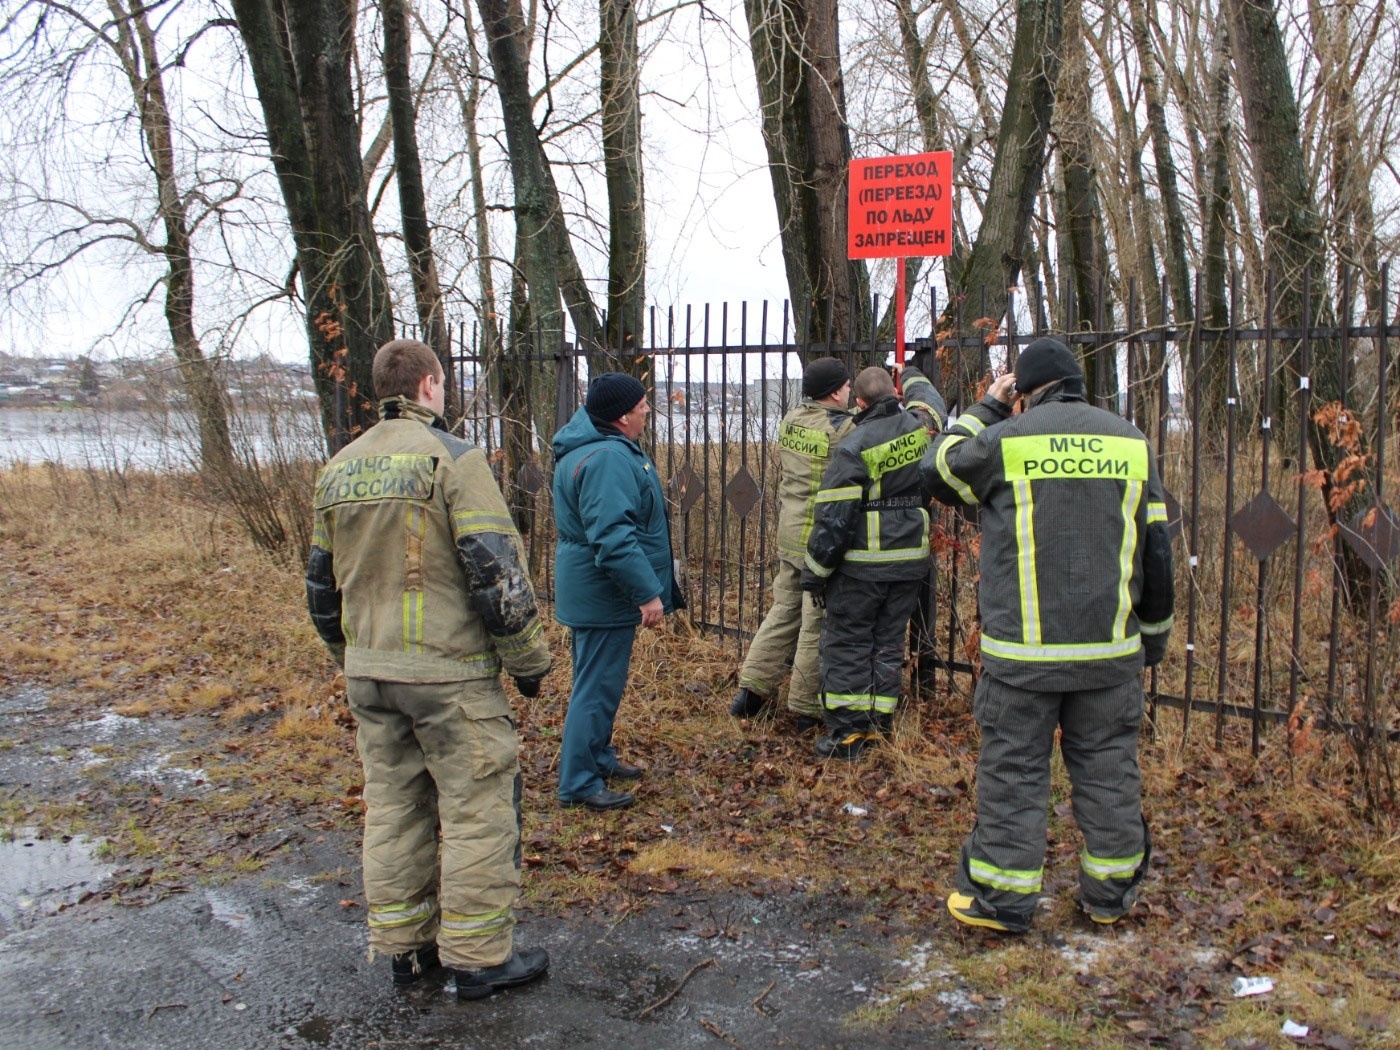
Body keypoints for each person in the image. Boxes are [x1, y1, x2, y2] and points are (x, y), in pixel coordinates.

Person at [305, 339, 553, 999]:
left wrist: (350, 657)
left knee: (393, 805)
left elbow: (320, 586)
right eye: (440, 382)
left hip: (370, 672)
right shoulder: (454, 460)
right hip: (449, 676)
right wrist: (528, 661)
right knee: (477, 808)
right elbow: (495, 568)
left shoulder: (338, 469)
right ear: (427, 386)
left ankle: (406, 949)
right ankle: (477, 957)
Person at [920, 336, 1175, 933]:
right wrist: (1154, 639)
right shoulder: (1131, 442)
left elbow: (937, 467)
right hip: (1110, 653)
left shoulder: (1008, 440)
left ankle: (1002, 902)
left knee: (1014, 771)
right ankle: (1110, 896)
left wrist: (988, 405)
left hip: (1022, 660)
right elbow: (1157, 551)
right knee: (1109, 769)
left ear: (1025, 392)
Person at [552, 373, 682, 811]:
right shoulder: (607, 458)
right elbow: (612, 537)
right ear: (623, 416)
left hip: (594, 591)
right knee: (596, 687)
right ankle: (579, 782)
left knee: (598, 682)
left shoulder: (598, 447)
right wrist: (647, 593)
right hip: (602, 594)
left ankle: (597, 757)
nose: (647, 411)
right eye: (642, 405)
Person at [800, 364, 943, 760]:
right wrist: (910, 372)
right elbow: (932, 403)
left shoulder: (854, 446)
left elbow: (833, 520)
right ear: (895, 396)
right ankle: (880, 726)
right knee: (887, 644)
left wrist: (815, 572)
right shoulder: (922, 428)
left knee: (848, 644)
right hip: (910, 561)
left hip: (863, 567)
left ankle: (848, 734)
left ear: (860, 404)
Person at [730, 357, 855, 729]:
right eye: (847, 386)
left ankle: (750, 693)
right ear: (836, 392)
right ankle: (804, 708)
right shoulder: (842, 429)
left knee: (784, 611)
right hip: (819, 540)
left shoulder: (792, 419)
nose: (851, 391)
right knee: (816, 623)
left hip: (790, 534)